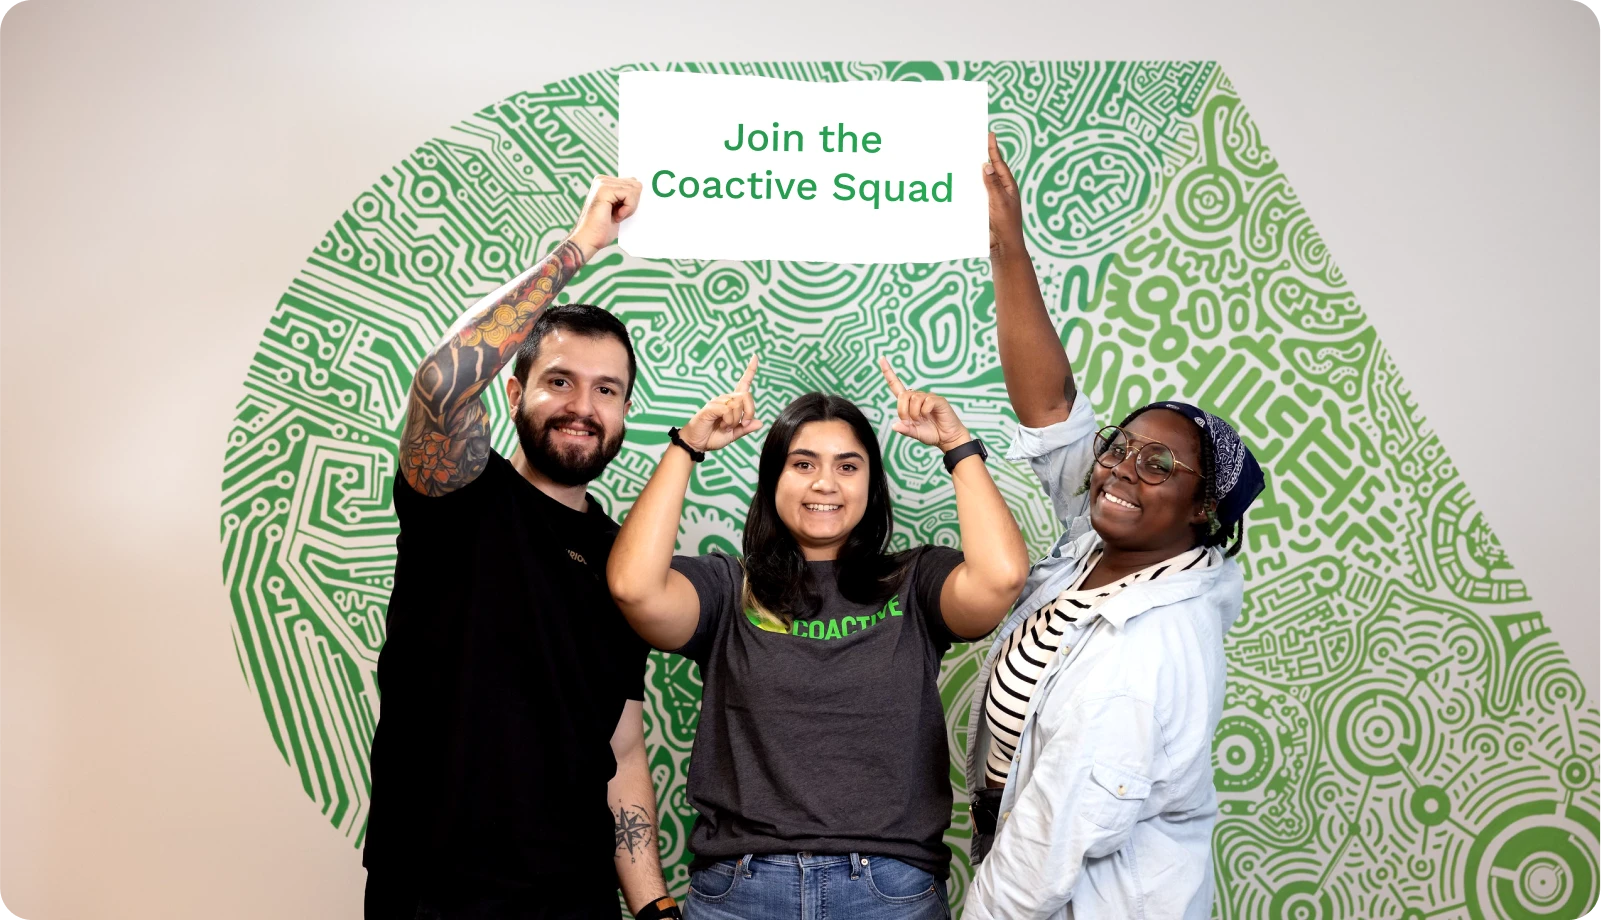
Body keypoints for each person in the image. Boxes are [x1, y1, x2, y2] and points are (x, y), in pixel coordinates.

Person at [960, 134, 1267, 920]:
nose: (1124, 470)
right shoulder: (1100, 547)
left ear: (1203, 509)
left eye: (1160, 465)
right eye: (1121, 449)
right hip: (1028, 865)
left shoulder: (1147, 646)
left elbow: (1048, 845)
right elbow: (1052, 412)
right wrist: (1006, 238)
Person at [606, 356, 1032, 920]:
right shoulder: (727, 588)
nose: (824, 482)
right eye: (802, 463)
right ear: (773, 480)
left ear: (871, 486)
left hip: (889, 892)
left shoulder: (915, 581)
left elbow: (1002, 577)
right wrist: (687, 446)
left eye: (848, 466)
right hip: (742, 890)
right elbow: (633, 588)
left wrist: (956, 445)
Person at [363, 175, 682, 920]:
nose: (583, 406)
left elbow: (623, 746)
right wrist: (578, 248)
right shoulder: (459, 495)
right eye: (560, 381)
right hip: (433, 889)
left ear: (627, 409)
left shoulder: (624, 558)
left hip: (574, 894)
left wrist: (654, 907)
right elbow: (441, 383)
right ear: (513, 393)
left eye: (607, 390)